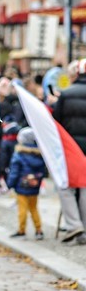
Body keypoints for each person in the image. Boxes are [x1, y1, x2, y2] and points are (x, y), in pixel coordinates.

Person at [52, 58, 86, 243]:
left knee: (67, 185)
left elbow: (57, 122)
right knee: (85, 187)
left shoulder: (66, 94)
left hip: (72, 148)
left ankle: (74, 224)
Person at [6, 127, 47, 240]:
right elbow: (43, 171)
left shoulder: (19, 154)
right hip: (34, 186)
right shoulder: (40, 154)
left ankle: (21, 230)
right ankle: (39, 230)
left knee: (22, 209)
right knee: (34, 208)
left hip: (21, 186)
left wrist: (10, 184)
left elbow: (14, 172)